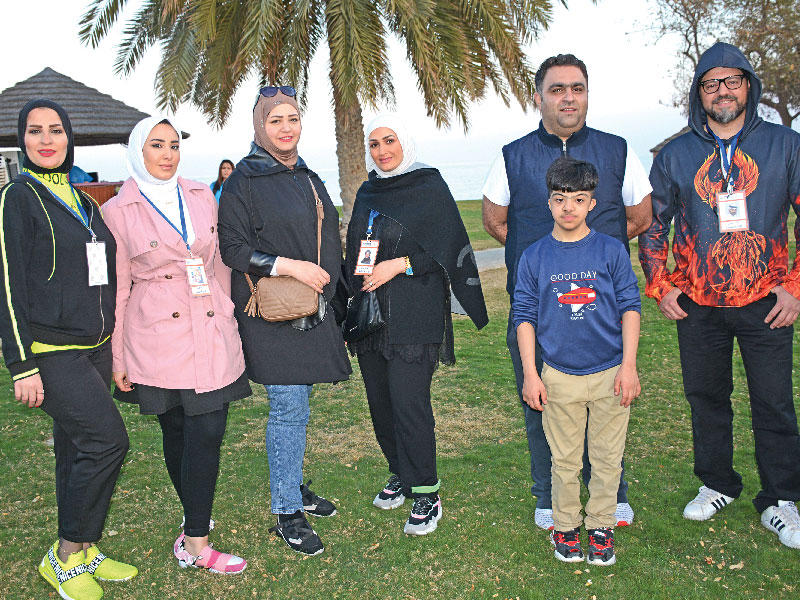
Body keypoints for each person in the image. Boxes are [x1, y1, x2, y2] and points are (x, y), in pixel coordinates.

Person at [639, 42, 800, 549]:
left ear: (748, 85)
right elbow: (652, 226)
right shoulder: (676, 154)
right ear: (699, 93)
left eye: (732, 80)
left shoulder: (785, 145)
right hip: (698, 303)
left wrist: (795, 287)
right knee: (706, 398)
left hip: (767, 300)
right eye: (711, 83)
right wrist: (661, 284)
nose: (722, 91)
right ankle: (717, 484)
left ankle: (781, 499)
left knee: (773, 401)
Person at [481, 53, 652, 531]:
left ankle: (612, 495)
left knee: (609, 404)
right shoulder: (512, 155)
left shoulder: (617, 150)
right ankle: (548, 496)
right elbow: (495, 222)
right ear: (539, 97)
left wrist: (591, 260)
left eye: (577, 88)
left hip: (602, 314)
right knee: (540, 401)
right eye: (557, 89)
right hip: (540, 314)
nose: (568, 98)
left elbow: (640, 216)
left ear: (587, 94)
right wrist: (547, 263)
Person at [0, 99, 137, 600]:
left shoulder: (84, 201)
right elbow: (8, 284)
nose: (46, 140)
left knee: (76, 449)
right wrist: (21, 365)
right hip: (51, 350)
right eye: (35, 131)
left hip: (95, 348)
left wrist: (116, 347)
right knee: (108, 442)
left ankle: (83, 550)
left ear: (68, 137)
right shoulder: (18, 196)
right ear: (22, 140)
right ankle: (62, 556)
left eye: (55, 130)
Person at [103, 116, 251, 573]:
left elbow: (219, 262)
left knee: (208, 431)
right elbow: (118, 289)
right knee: (177, 432)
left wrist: (227, 309)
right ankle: (195, 528)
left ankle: (195, 536)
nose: (167, 154)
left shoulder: (202, 194)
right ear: (138, 151)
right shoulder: (117, 210)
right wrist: (117, 357)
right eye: (156, 145)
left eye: (173, 145)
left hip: (209, 326)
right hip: (156, 337)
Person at [218, 86, 351, 556]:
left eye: (293, 118)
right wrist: (291, 267)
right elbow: (232, 248)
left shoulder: (307, 176)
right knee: (289, 408)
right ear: (260, 126)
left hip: (310, 307)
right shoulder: (243, 180)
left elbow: (327, 239)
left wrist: (333, 298)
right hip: (272, 312)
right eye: (275, 120)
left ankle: (292, 485)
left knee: (299, 405)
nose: (286, 128)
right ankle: (287, 510)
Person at [345, 113, 488, 535]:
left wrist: (400, 264)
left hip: (415, 316)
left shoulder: (429, 186)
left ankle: (426, 491)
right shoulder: (368, 192)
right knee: (381, 405)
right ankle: (400, 473)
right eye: (374, 144)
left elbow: (447, 250)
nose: (382, 151)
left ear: (404, 142)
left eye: (389, 140)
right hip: (373, 318)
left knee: (409, 404)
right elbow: (355, 248)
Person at [514, 157, 641, 565]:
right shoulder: (534, 256)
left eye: (578, 199)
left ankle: (601, 525)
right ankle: (566, 526)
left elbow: (630, 307)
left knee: (607, 459)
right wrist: (531, 374)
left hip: (609, 372)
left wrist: (629, 366)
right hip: (558, 375)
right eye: (559, 199)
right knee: (564, 460)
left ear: (592, 203)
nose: (568, 208)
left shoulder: (611, 250)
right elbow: (524, 316)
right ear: (549, 203)